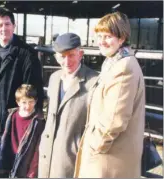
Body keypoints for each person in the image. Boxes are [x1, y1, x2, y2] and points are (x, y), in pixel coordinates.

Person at [73, 12, 145, 178]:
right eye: (99, 36)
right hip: (109, 156)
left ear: (122, 38)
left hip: (108, 160)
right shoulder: (116, 62)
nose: (102, 41)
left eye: (108, 36)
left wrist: (95, 146)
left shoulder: (123, 68)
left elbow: (114, 120)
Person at [0, 7, 44, 177]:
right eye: (0, 25)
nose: (4, 28)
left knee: (17, 166)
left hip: (16, 122)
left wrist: (29, 117)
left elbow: (34, 88)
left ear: (14, 26)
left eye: (7, 24)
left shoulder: (26, 54)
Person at [38, 33, 98, 178]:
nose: (66, 61)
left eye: (71, 55)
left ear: (80, 54)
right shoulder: (54, 78)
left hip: (73, 158)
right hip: (47, 156)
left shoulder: (94, 82)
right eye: (62, 56)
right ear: (55, 56)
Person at [0, 84, 45, 178]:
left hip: (26, 162)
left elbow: (38, 149)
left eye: (31, 102)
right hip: (10, 159)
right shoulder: (11, 116)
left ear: (35, 101)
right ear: (18, 102)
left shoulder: (39, 121)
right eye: (24, 102)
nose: (28, 106)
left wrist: (32, 172)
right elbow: (3, 141)